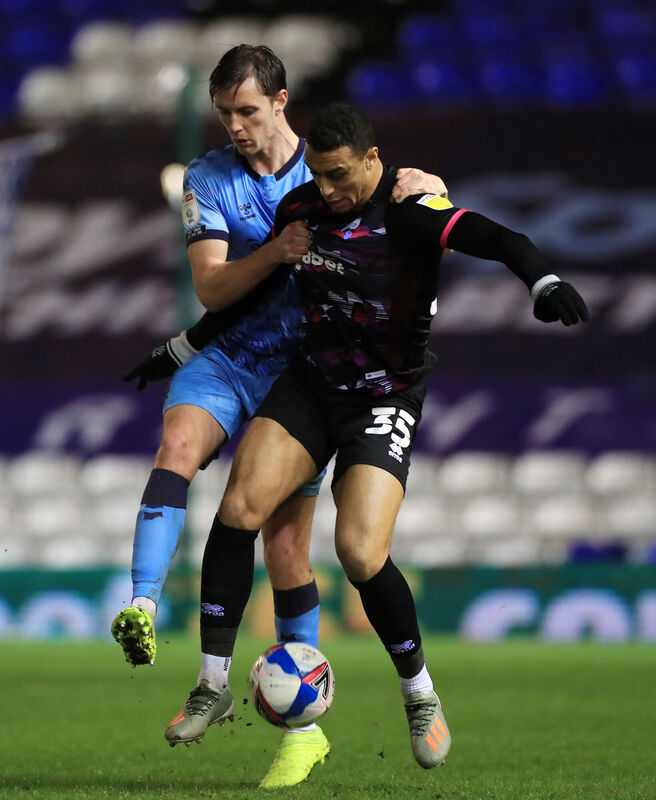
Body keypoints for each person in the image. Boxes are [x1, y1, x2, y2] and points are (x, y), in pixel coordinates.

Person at [174, 101, 589, 772]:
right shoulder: (301, 210)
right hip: (311, 386)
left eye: (340, 176)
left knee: (360, 552)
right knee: (238, 508)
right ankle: (213, 684)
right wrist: (186, 345)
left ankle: (419, 693)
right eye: (319, 175)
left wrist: (543, 281)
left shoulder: (410, 209)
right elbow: (257, 291)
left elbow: (501, 239)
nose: (329, 191)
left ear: (373, 160)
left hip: (384, 396)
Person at [111, 45, 448, 788]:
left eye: (248, 111)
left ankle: (305, 732)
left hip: (302, 372)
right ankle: (145, 609)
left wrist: (429, 189)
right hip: (229, 358)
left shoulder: (326, 171)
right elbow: (215, 289)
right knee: (178, 445)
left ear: (282, 102)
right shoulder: (207, 179)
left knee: (288, 553)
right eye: (225, 112)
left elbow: (406, 209)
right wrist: (274, 255)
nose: (234, 125)